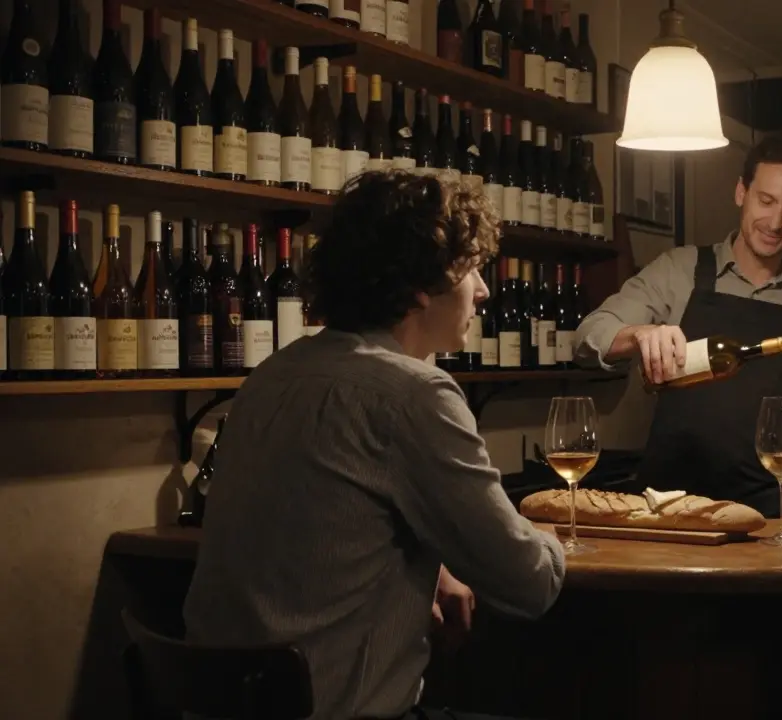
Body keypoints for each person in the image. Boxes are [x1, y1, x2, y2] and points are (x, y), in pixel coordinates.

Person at [183, 172, 566, 720]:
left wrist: (435, 569)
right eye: (470, 269)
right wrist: (551, 535)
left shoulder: (274, 373)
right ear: (419, 284)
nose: (483, 290)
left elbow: (325, 525)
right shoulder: (416, 394)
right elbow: (529, 583)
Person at [574, 133, 782, 517]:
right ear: (741, 192)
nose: (775, 222)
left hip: (771, 516)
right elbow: (589, 336)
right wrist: (640, 335)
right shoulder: (678, 270)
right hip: (667, 510)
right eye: (766, 200)